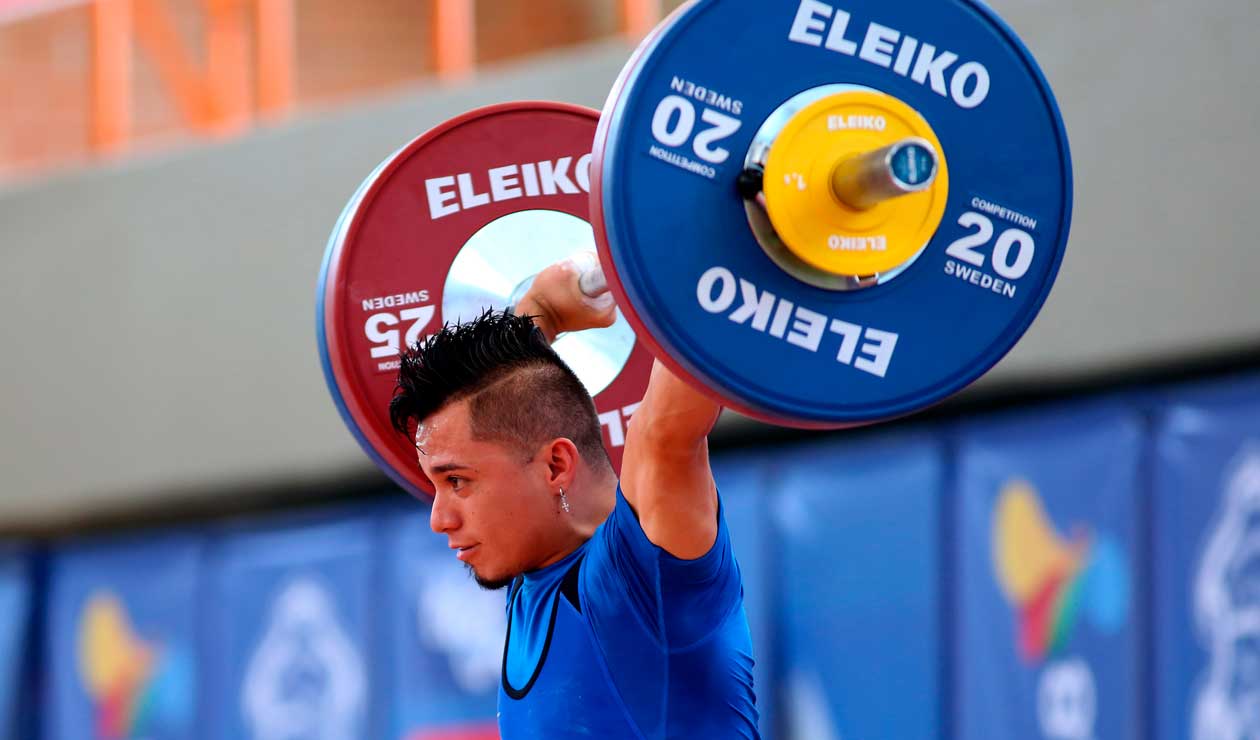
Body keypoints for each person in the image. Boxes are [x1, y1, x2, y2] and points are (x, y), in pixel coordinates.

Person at [388, 256, 760, 739]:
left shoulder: (641, 578)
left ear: (556, 466)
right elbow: (515, 388)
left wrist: (720, 251)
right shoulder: (533, 570)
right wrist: (542, 311)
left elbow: (668, 427)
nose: (439, 518)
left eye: (457, 481)